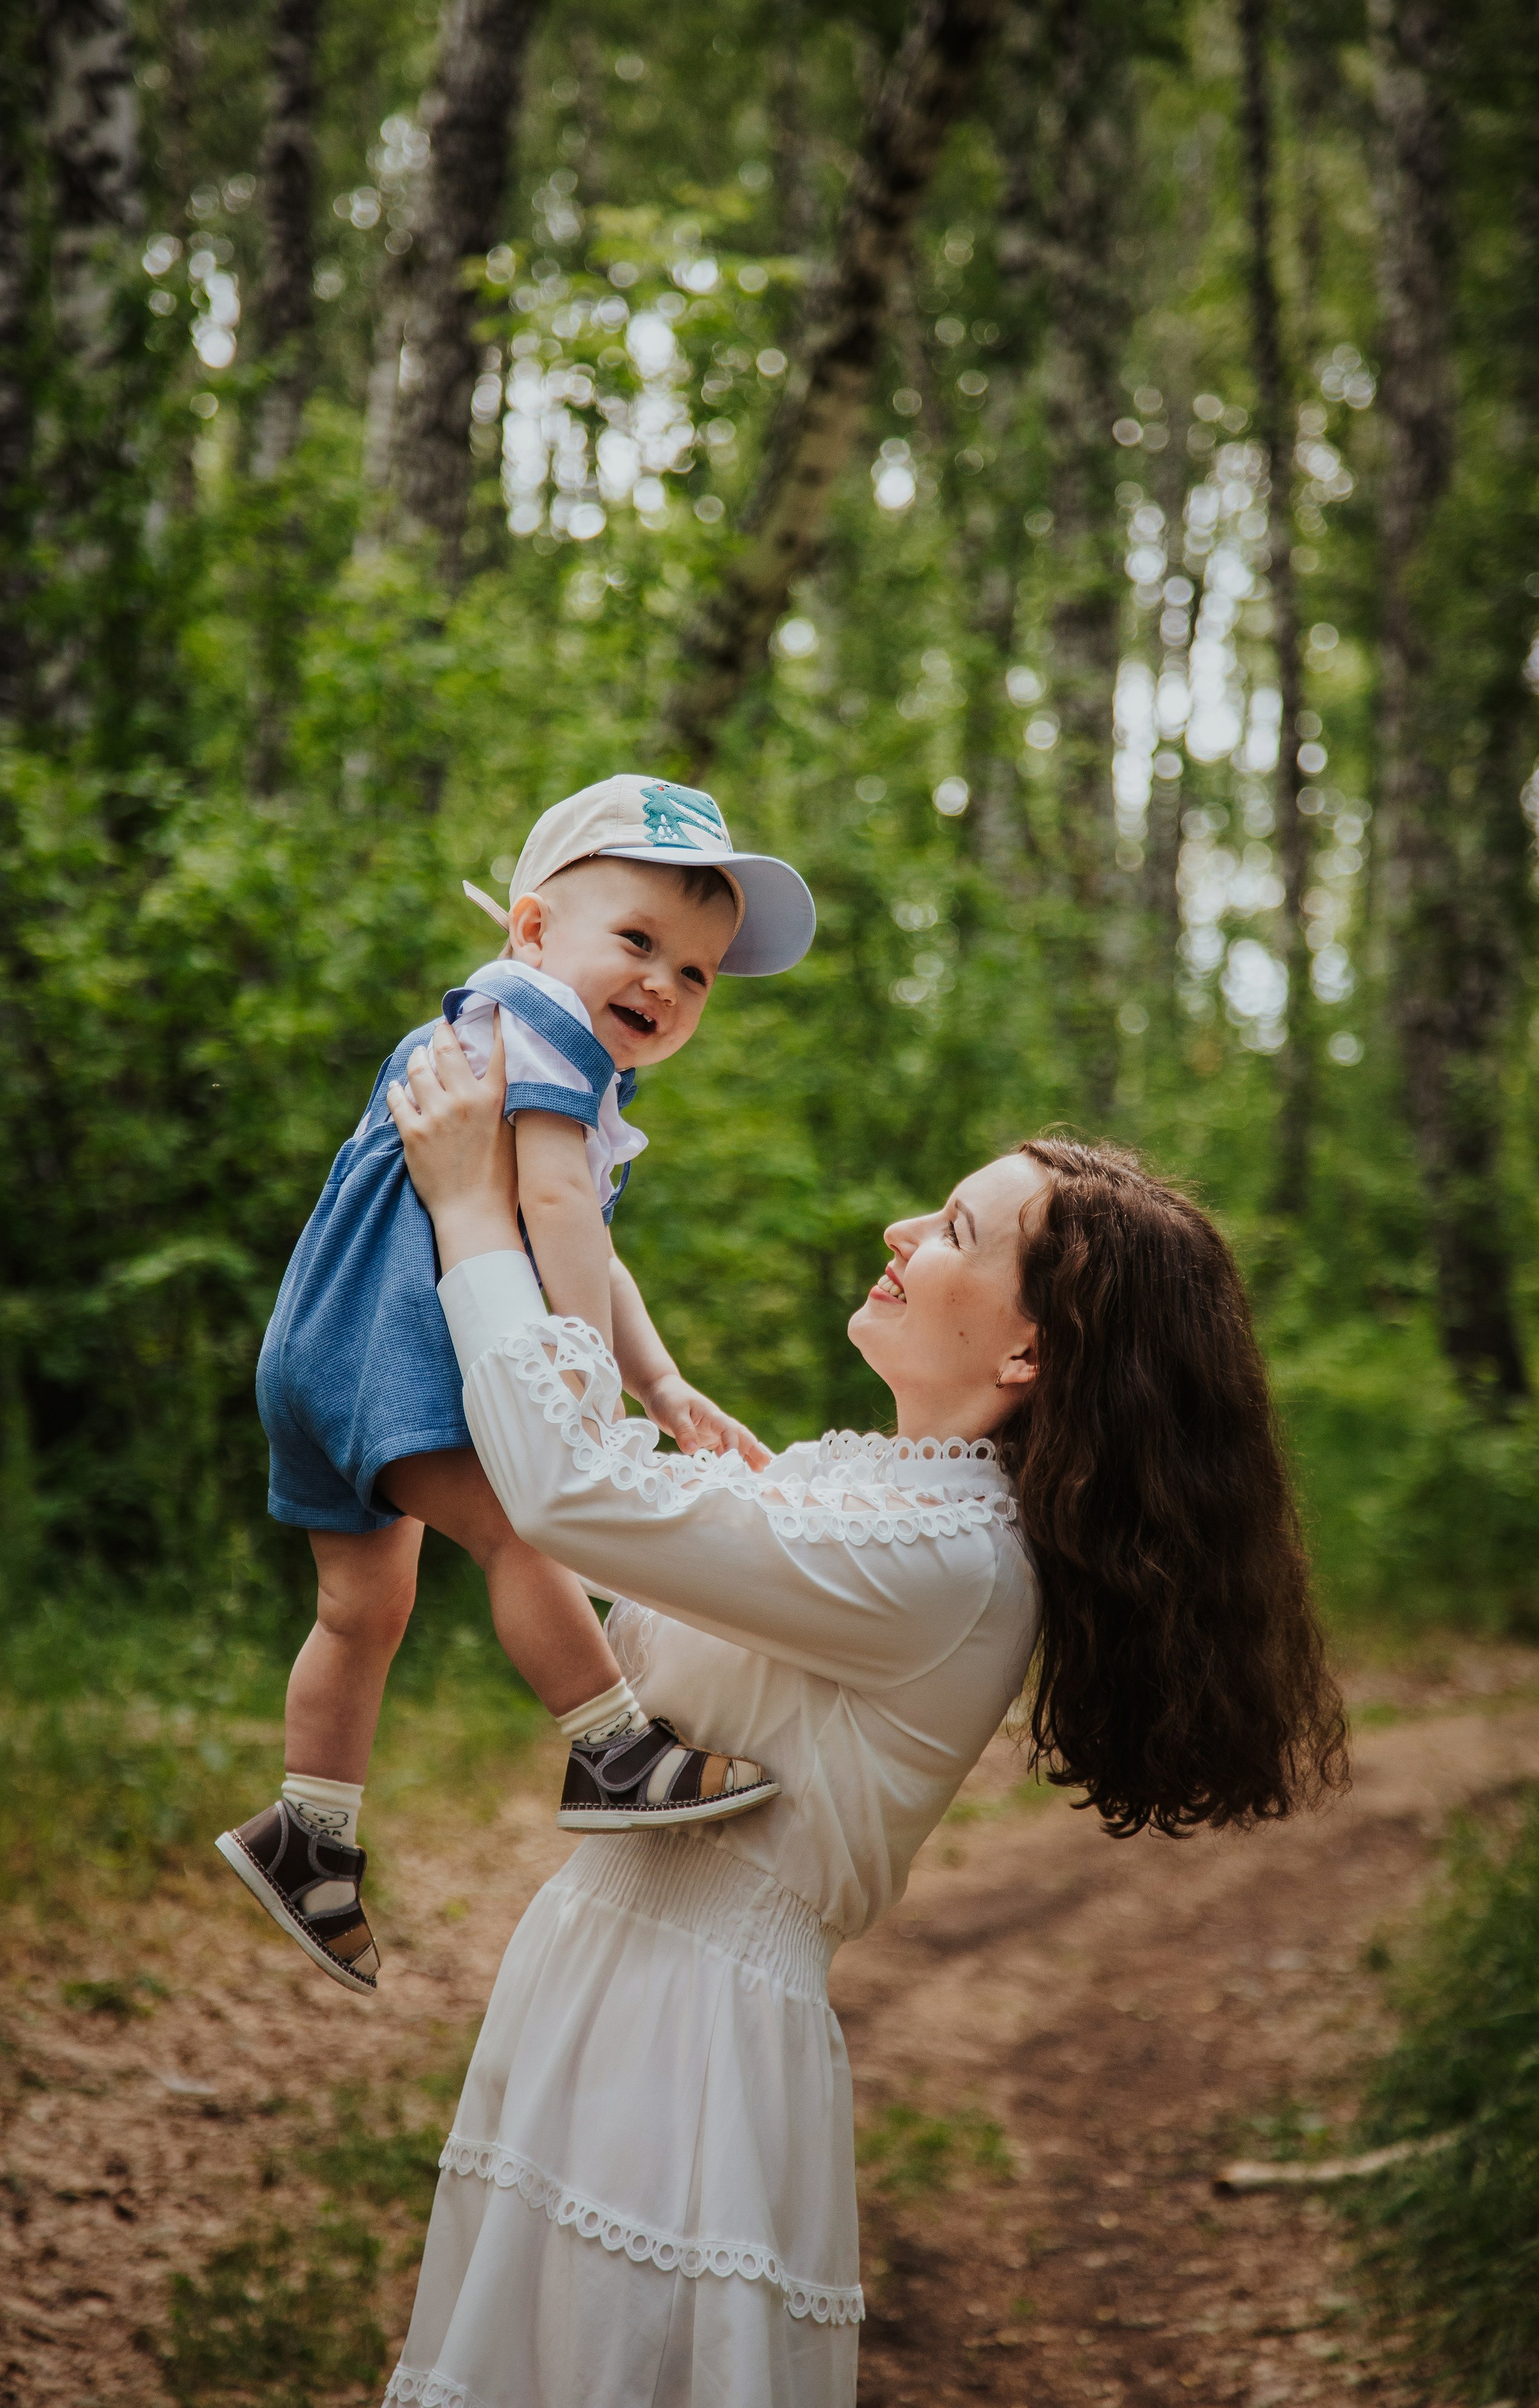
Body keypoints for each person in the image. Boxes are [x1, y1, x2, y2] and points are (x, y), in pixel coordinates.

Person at [375, 1027, 1348, 2408]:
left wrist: (473, 1211)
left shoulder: (948, 1561)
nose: (902, 1229)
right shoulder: (880, 1495)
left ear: (1028, 1347)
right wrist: (553, 1204)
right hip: (603, 1972)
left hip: (692, 2044)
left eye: (953, 1226)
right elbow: (598, 1524)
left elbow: (570, 1495)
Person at [217, 777, 817, 1996]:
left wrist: (659, 1380)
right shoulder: (537, 1022)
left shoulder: (522, 1033)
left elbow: (581, 1225)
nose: (663, 983)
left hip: (319, 1350)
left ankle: (307, 1830)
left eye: (697, 973)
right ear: (536, 928)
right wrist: (582, 1381)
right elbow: (550, 1211)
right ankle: (611, 1751)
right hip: (389, 1354)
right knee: (523, 1527)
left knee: (360, 1611)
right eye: (638, 942)